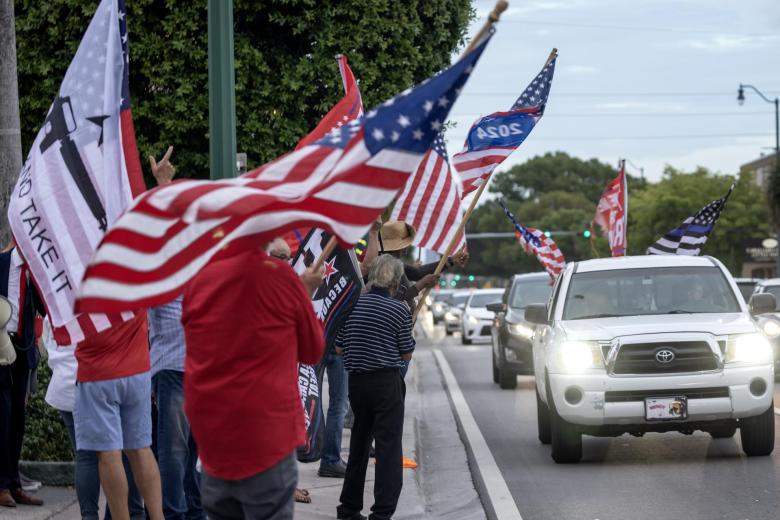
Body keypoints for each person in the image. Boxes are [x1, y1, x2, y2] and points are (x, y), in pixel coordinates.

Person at [181, 243, 325, 520]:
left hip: (215, 441)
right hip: (266, 439)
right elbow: (312, 350)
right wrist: (305, 294)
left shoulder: (201, 280)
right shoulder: (280, 279)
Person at [147, 147, 205, 520]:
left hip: (194, 369)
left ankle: (188, 508)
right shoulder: (165, 267)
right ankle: (176, 512)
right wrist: (164, 186)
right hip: (175, 369)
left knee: (188, 449)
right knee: (175, 450)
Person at [335, 255, 415, 520]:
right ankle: (381, 513)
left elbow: (338, 347)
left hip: (357, 384)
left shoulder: (351, 306)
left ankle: (348, 508)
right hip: (386, 384)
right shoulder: (399, 309)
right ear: (395, 281)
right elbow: (406, 354)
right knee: (388, 448)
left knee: (358, 445)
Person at [43, 318, 144, 520]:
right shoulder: (100, 298)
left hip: (65, 383)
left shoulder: (57, 302)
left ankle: (92, 516)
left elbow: (48, 342)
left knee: (86, 456)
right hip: (98, 379)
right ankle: (131, 513)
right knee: (123, 454)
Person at [74, 312, 164, 520]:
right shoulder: (139, 277)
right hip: (137, 367)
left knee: (108, 454)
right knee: (141, 449)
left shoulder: (82, 279)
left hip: (97, 369)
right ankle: (158, 517)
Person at [0, 244, 46, 508]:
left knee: (18, 417)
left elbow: (45, 306)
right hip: (1, 344)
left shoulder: (35, 271)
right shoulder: (3, 262)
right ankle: (2, 484)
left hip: (23, 347)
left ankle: (14, 483)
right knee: (3, 415)